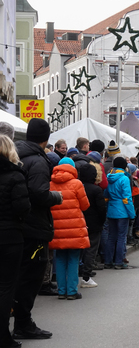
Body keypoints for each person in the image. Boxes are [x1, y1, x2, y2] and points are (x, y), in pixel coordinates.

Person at [13, 118, 63, 340]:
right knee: (30, 276)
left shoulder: (14, 155)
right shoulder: (38, 162)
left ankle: (19, 321)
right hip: (33, 226)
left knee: (14, 276)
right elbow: (39, 194)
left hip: (15, 225)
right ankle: (24, 323)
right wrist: (57, 196)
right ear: (47, 138)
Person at [0, 134, 30, 348]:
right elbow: (22, 208)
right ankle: (3, 336)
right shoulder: (14, 174)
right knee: (6, 287)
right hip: (10, 236)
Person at [48, 157, 90, 300]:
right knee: (73, 258)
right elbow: (85, 205)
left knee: (59, 258)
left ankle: (61, 290)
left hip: (57, 227)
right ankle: (71, 291)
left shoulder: (50, 184)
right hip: (74, 227)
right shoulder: (77, 183)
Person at [103, 157, 135, 269]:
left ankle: (108, 261)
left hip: (111, 209)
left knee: (111, 236)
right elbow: (127, 198)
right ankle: (118, 262)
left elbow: (106, 195)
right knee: (122, 237)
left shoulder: (108, 177)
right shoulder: (124, 178)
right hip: (122, 211)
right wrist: (132, 213)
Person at [79, 163, 107, 289]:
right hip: (94, 223)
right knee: (91, 250)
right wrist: (102, 221)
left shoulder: (79, 187)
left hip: (79, 222)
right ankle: (86, 276)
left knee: (77, 251)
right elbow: (101, 208)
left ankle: (75, 275)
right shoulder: (96, 190)